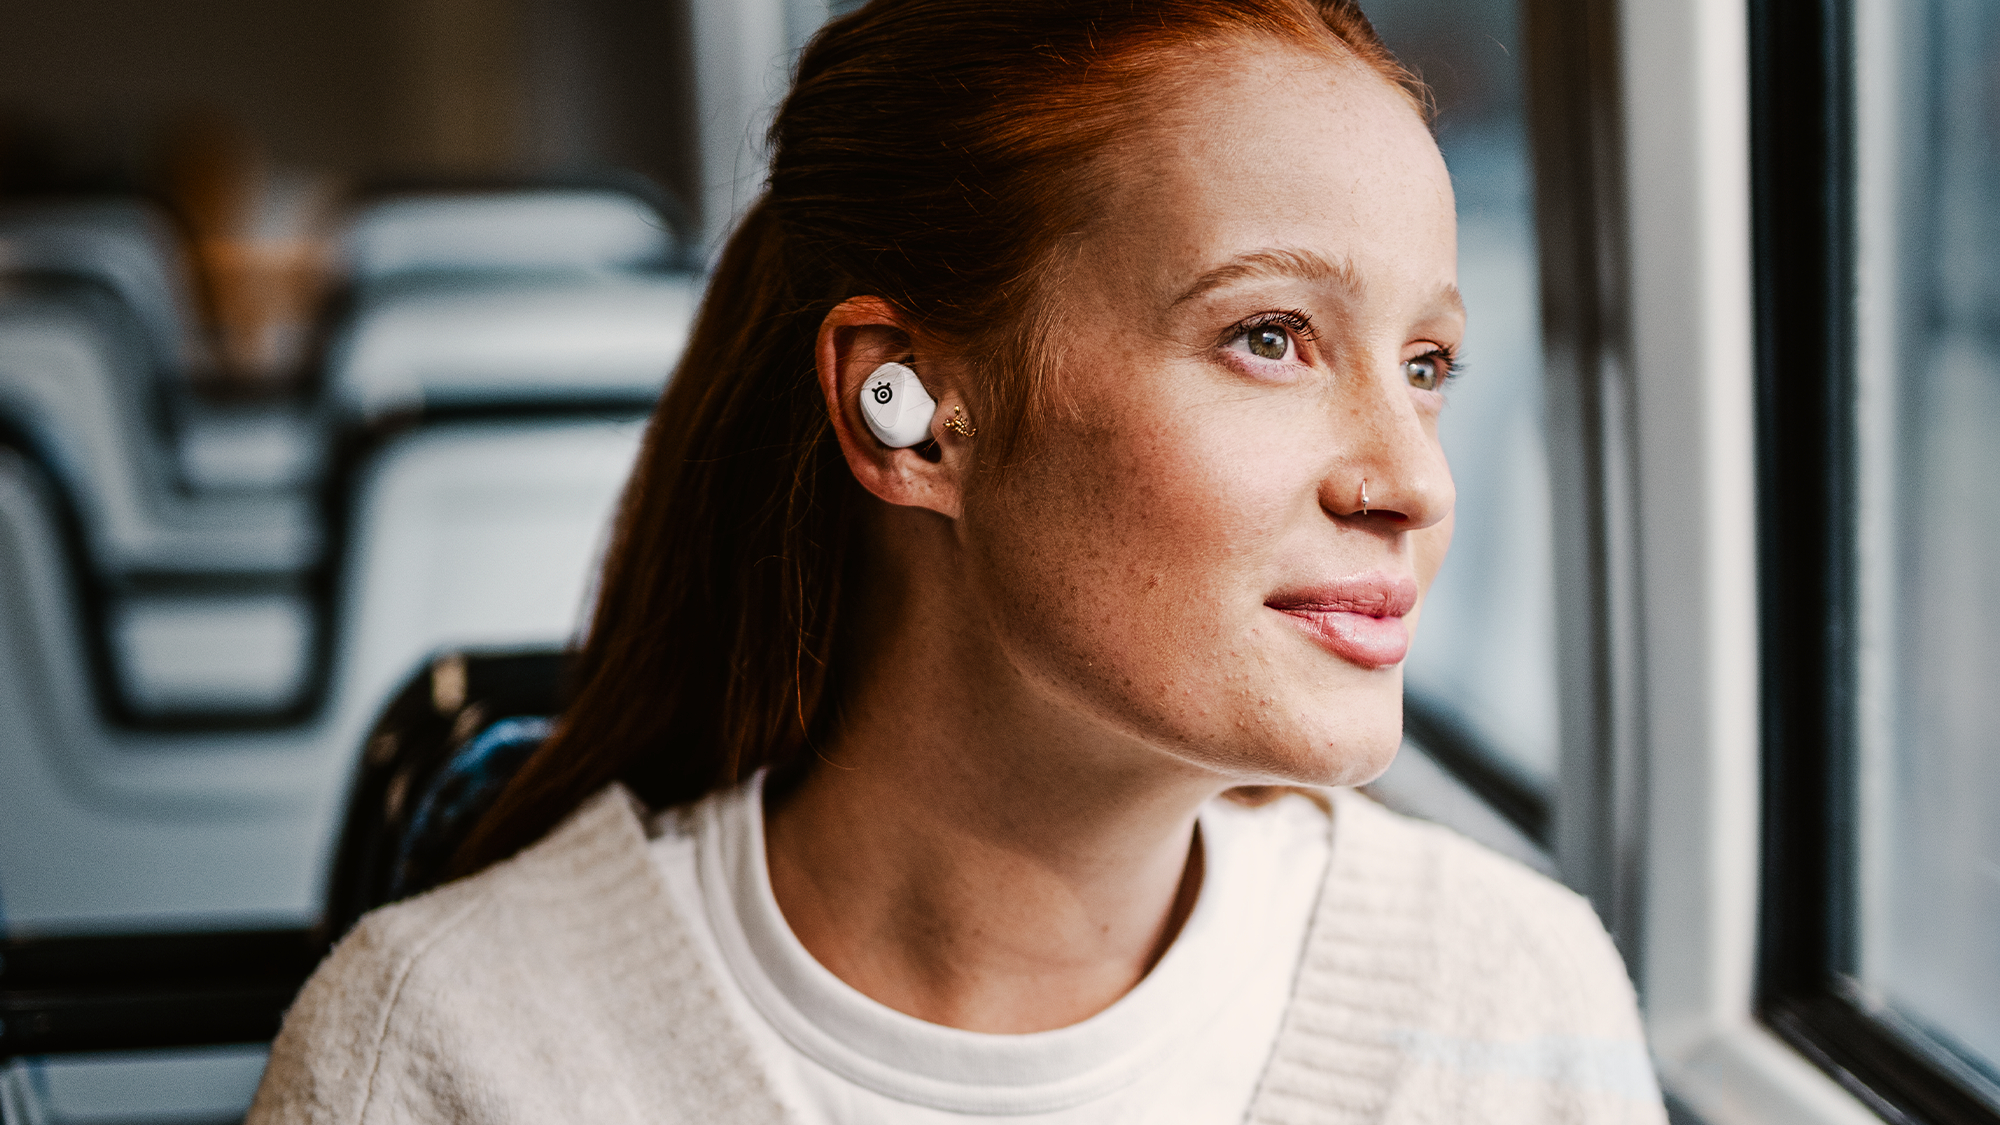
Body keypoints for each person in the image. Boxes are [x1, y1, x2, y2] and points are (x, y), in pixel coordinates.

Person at [249, 0, 1666, 1121]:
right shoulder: (446, 1053)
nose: (1415, 481)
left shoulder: (1511, 1001)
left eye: (1426, 365)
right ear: (911, 411)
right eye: (1270, 337)